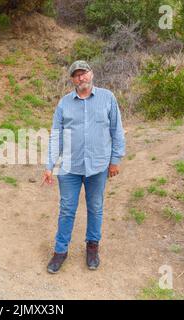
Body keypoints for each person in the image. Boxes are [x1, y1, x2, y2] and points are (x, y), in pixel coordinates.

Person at [41, 60, 126, 274]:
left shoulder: (107, 98)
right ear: (72, 79)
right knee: (67, 209)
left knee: (95, 208)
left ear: (92, 74)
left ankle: (92, 248)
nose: (81, 78)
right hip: (69, 167)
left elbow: (117, 130)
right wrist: (49, 165)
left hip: (97, 167)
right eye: (77, 75)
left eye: (84, 73)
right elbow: (56, 136)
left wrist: (115, 160)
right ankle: (60, 252)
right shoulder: (64, 103)